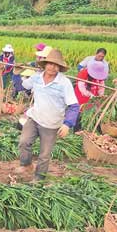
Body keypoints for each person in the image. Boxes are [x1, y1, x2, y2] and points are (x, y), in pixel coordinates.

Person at [15, 49, 79, 182]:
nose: (52, 67)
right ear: (45, 64)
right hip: (35, 117)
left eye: (56, 65)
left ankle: (39, 178)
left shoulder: (64, 83)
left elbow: (74, 106)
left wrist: (67, 124)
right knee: (24, 142)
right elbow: (23, 87)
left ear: (60, 68)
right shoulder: (37, 77)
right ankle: (26, 165)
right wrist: (16, 74)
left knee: (44, 154)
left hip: (51, 124)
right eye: (50, 63)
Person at [73, 60, 108, 131]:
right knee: (80, 111)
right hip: (82, 96)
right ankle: (77, 129)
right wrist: (90, 94)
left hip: (94, 96)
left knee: (95, 111)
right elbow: (81, 87)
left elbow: (101, 85)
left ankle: (96, 128)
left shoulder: (101, 75)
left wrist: (101, 94)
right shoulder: (83, 73)